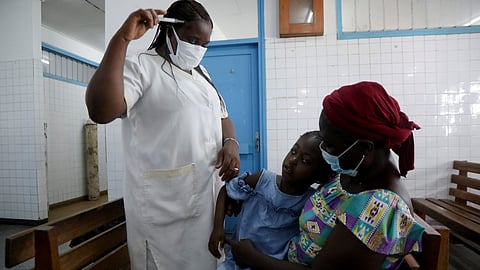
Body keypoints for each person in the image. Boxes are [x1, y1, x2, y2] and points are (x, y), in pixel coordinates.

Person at [85, 1, 240, 269]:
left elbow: (223, 116)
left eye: (204, 44)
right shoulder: (142, 67)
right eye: (193, 40)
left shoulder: (201, 73)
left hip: (204, 202)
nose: (199, 50)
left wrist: (231, 143)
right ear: (170, 32)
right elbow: (101, 110)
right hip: (163, 207)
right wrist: (121, 39)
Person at [225, 81, 425, 270]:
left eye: (329, 144)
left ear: (365, 147)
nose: (323, 151)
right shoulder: (352, 172)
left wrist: (252, 258)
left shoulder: (380, 208)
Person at [209, 131, 335, 270]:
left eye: (305, 161)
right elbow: (226, 191)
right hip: (237, 261)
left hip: (270, 264)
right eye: (293, 151)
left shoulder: (309, 203)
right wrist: (218, 228)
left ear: (319, 177)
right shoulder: (262, 181)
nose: (292, 160)